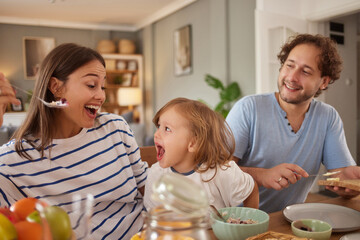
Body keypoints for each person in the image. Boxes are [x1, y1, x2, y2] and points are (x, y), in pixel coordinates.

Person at [0, 43, 148, 239]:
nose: (101, 95)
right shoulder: (9, 163)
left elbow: (147, 187)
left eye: (102, 86)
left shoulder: (116, 128)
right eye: (91, 85)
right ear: (56, 88)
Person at [226, 33, 360, 213]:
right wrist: (262, 175)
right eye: (289, 66)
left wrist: (351, 185)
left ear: (324, 81)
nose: (292, 77)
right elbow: (216, 172)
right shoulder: (248, 109)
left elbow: (342, 180)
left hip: (285, 222)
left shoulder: (328, 117)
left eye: (305, 71)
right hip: (233, 221)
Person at [144, 98, 259, 211]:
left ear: (193, 143)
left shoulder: (221, 172)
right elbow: (153, 217)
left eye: (167, 129)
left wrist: (248, 223)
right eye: (159, 126)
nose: (156, 134)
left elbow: (250, 190)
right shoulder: (155, 174)